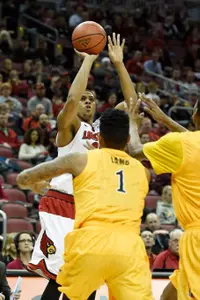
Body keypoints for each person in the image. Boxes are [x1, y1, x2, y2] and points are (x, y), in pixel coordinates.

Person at [25, 32, 137, 300]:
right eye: (84, 98)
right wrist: (88, 60)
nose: (87, 101)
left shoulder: (105, 131)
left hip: (93, 211)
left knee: (86, 277)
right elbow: (72, 101)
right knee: (62, 275)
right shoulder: (70, 128)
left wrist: (119, 64)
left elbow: (133, 105)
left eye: (92, 98)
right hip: (62, 204)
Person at [16, 108, 153, 300]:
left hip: (92, 242)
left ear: (100, 138)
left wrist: (33, 184)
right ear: (128, 139)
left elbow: (23, 177)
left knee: (61, 285)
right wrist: (133, 124)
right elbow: (134, 153)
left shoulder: (82, 160)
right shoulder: (143, 172)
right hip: (130, 249)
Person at [130, 93, 200, 300]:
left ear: (195, 115)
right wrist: (165, 120)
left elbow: (134, 151)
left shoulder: (180, 143)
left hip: (196, 237)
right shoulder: (187, 142)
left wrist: (133, 123)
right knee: (167, 297)